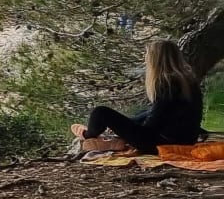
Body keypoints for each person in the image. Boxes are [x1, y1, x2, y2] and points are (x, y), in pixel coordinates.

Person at [73, 41, 204, 155]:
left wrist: (130, 130)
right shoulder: (187, 81)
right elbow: (163, 114)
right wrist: (129, 124)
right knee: (143, 113)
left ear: (155, 60)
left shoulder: (167, 83)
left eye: (147, 55)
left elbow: (151, 127)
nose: (145, 59)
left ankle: (87, 135)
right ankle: (112, 137)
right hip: (186, 140)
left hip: (162, 143)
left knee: (101, 112)